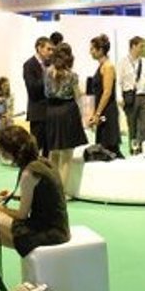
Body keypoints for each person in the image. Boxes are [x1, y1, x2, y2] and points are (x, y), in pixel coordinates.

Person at [0, 125, 70, 259]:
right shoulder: (43, 162)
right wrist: (15, 197)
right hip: (58, 229)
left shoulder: (29, 173)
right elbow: (44, 196)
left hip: (47, 233)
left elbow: (21, 215)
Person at [44, 43, 86, 190]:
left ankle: (51, 189)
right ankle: (61, 192)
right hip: (67, 112)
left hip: (51, 112)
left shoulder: (47, 72)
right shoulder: (72, 75)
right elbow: (77, 95)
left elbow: (46, 92)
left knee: (53, 153)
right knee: (67, 155)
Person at [118, 35, 145, 154]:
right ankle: (134, 150)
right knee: (132, 126)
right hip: (130, 97)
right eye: (141, 46)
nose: (143, 49)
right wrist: (119, 97)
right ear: (133, 46)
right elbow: (118, 81)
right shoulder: (123, 62)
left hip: (144, 96)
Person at [87, 34, 121, 157]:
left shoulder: (108, 67)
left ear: (100, 50)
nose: (90, 52)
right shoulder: (101, 66)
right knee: (103, 148)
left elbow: (107, 92)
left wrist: (97, 114)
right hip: (102, 112)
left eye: (92, 49)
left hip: (108, 112)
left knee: (110, 148)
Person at [23, 36, 53, 157]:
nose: (51, 52)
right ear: (39, 48)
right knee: (36, 148)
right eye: (48, 49)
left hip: (50, 112)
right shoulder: (29, 65)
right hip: (38, 113)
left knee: (49, 149)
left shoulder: (50, 64)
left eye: (52, 50)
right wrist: (47, 76)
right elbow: (32, 88)